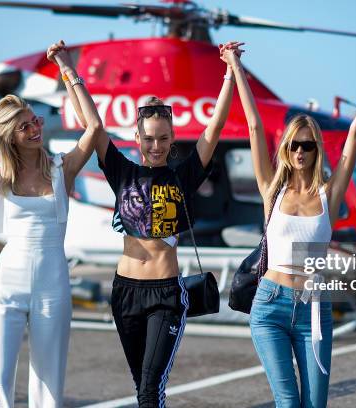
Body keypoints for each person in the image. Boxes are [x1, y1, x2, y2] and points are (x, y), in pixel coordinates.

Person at [227, 44, 356, 407]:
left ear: (316, 148)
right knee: (288, 402)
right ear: (286, 149)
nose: (299, 152)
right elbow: (255, 126)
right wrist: (236, 68)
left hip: (314, 307)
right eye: (293, 146)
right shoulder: (271, 189)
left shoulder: (329, 193)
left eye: (306, 145)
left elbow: (354, 134)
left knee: (315, 404)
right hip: (271, 304)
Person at [0, 40, 104, 407]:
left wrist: (67, 68)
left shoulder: (62, 168)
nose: (35, 128)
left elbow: (95, 127)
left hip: (53, 281)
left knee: (49, 382)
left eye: (34, 120)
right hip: (8, 282)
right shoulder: (0, 176)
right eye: (24, 126)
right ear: (9, 137)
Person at [94, 41, 243, 408]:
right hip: (125, 292)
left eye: (163, 138)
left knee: (150, 387)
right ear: (137, 138)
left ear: (173, 138)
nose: (156, 146)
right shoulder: (121, 172)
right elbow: (93, 127)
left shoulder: (184, 175)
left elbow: (216, 125)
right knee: (141, 384)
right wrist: (70, 72)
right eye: (149, 138)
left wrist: (229, 71)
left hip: (165, 294)